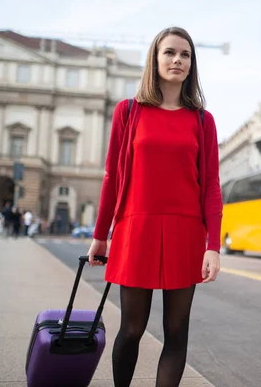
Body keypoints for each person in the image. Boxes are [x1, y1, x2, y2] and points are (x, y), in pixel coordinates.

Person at [87, 26, 223, 387]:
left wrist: (213, 246)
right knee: (131, 329)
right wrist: (100, 236)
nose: (178, 60)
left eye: (185, 55)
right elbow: (111, 178)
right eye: (170, 52)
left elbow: (210, 186)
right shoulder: (128, 112)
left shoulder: (202, 120)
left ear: (192, 64)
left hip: (186, 232)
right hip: (136, 229)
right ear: (155, 58)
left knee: (176, 332)